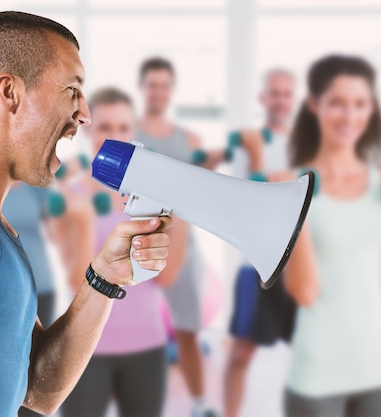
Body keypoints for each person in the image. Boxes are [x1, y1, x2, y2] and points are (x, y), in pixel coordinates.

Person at [0, 12, 171, 417]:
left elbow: (38, 390)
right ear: (10, 92)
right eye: (71, 89)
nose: (84, 114)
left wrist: (105, 278)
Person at [283, 55, 381, 417]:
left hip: (380, 367)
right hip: (317, 370)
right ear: (314, 104)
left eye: (360, 104)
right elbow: (305, 293)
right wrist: (295, 210)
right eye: (337, 103)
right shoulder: (292, 187)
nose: (349, 116)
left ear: (372, 108)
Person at [54, 87, 186, 417]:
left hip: (147, 346)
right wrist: (84, 220)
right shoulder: (70, 196)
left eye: (123, 128)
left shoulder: (156, 198)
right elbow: (74, 280)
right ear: (89, 131)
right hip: (86, 348)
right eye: (105, 128)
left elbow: (167, 278)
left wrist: (182, 212)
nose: (115, 137)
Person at [134, 56, 218, 417]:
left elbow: (201, 195)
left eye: (164, 85)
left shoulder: (191, 140)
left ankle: (199, 405)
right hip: (138, 243)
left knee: (187, 329)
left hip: (182, 248)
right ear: (142, 88)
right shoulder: (128, 134)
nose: (158, 91)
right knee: (133, 330)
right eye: (152, 84)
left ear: (172, 90)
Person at [223, 67, 298, 417]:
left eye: (286, 94)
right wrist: (257, 160)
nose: (280, 101)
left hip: (301, 267)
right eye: (275, 94)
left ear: (293, 98)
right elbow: (242, 203)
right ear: (263, 99)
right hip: (255, 266)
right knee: (241, 354)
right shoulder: (247, 144)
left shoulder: (307, 145)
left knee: (314, 355)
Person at [3, 182, 59, 417]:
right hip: (8, 288)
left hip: (43, 285)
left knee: (37, 361)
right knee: (12, 363)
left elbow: (56, 231)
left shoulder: (35, 189)